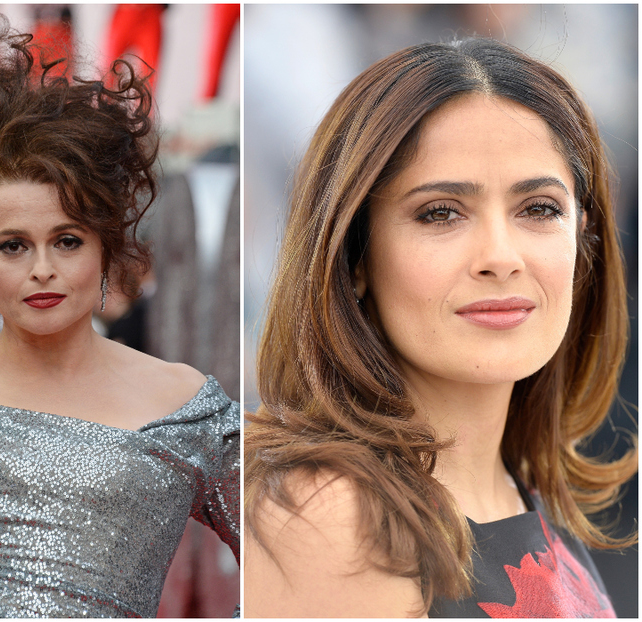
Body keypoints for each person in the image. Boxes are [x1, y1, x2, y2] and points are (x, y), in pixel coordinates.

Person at [0, 27, 239, 618]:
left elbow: (298, 553)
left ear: (105, 248)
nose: (43, 270)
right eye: (12, 246)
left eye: (67, 240)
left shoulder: (187, 409)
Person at [244, 37, 636, 618]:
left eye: (539, 209)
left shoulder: (522, 489)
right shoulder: (331, 514)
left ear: (582, 243)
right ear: (354, 259)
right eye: (441, 212)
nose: (500, 256)